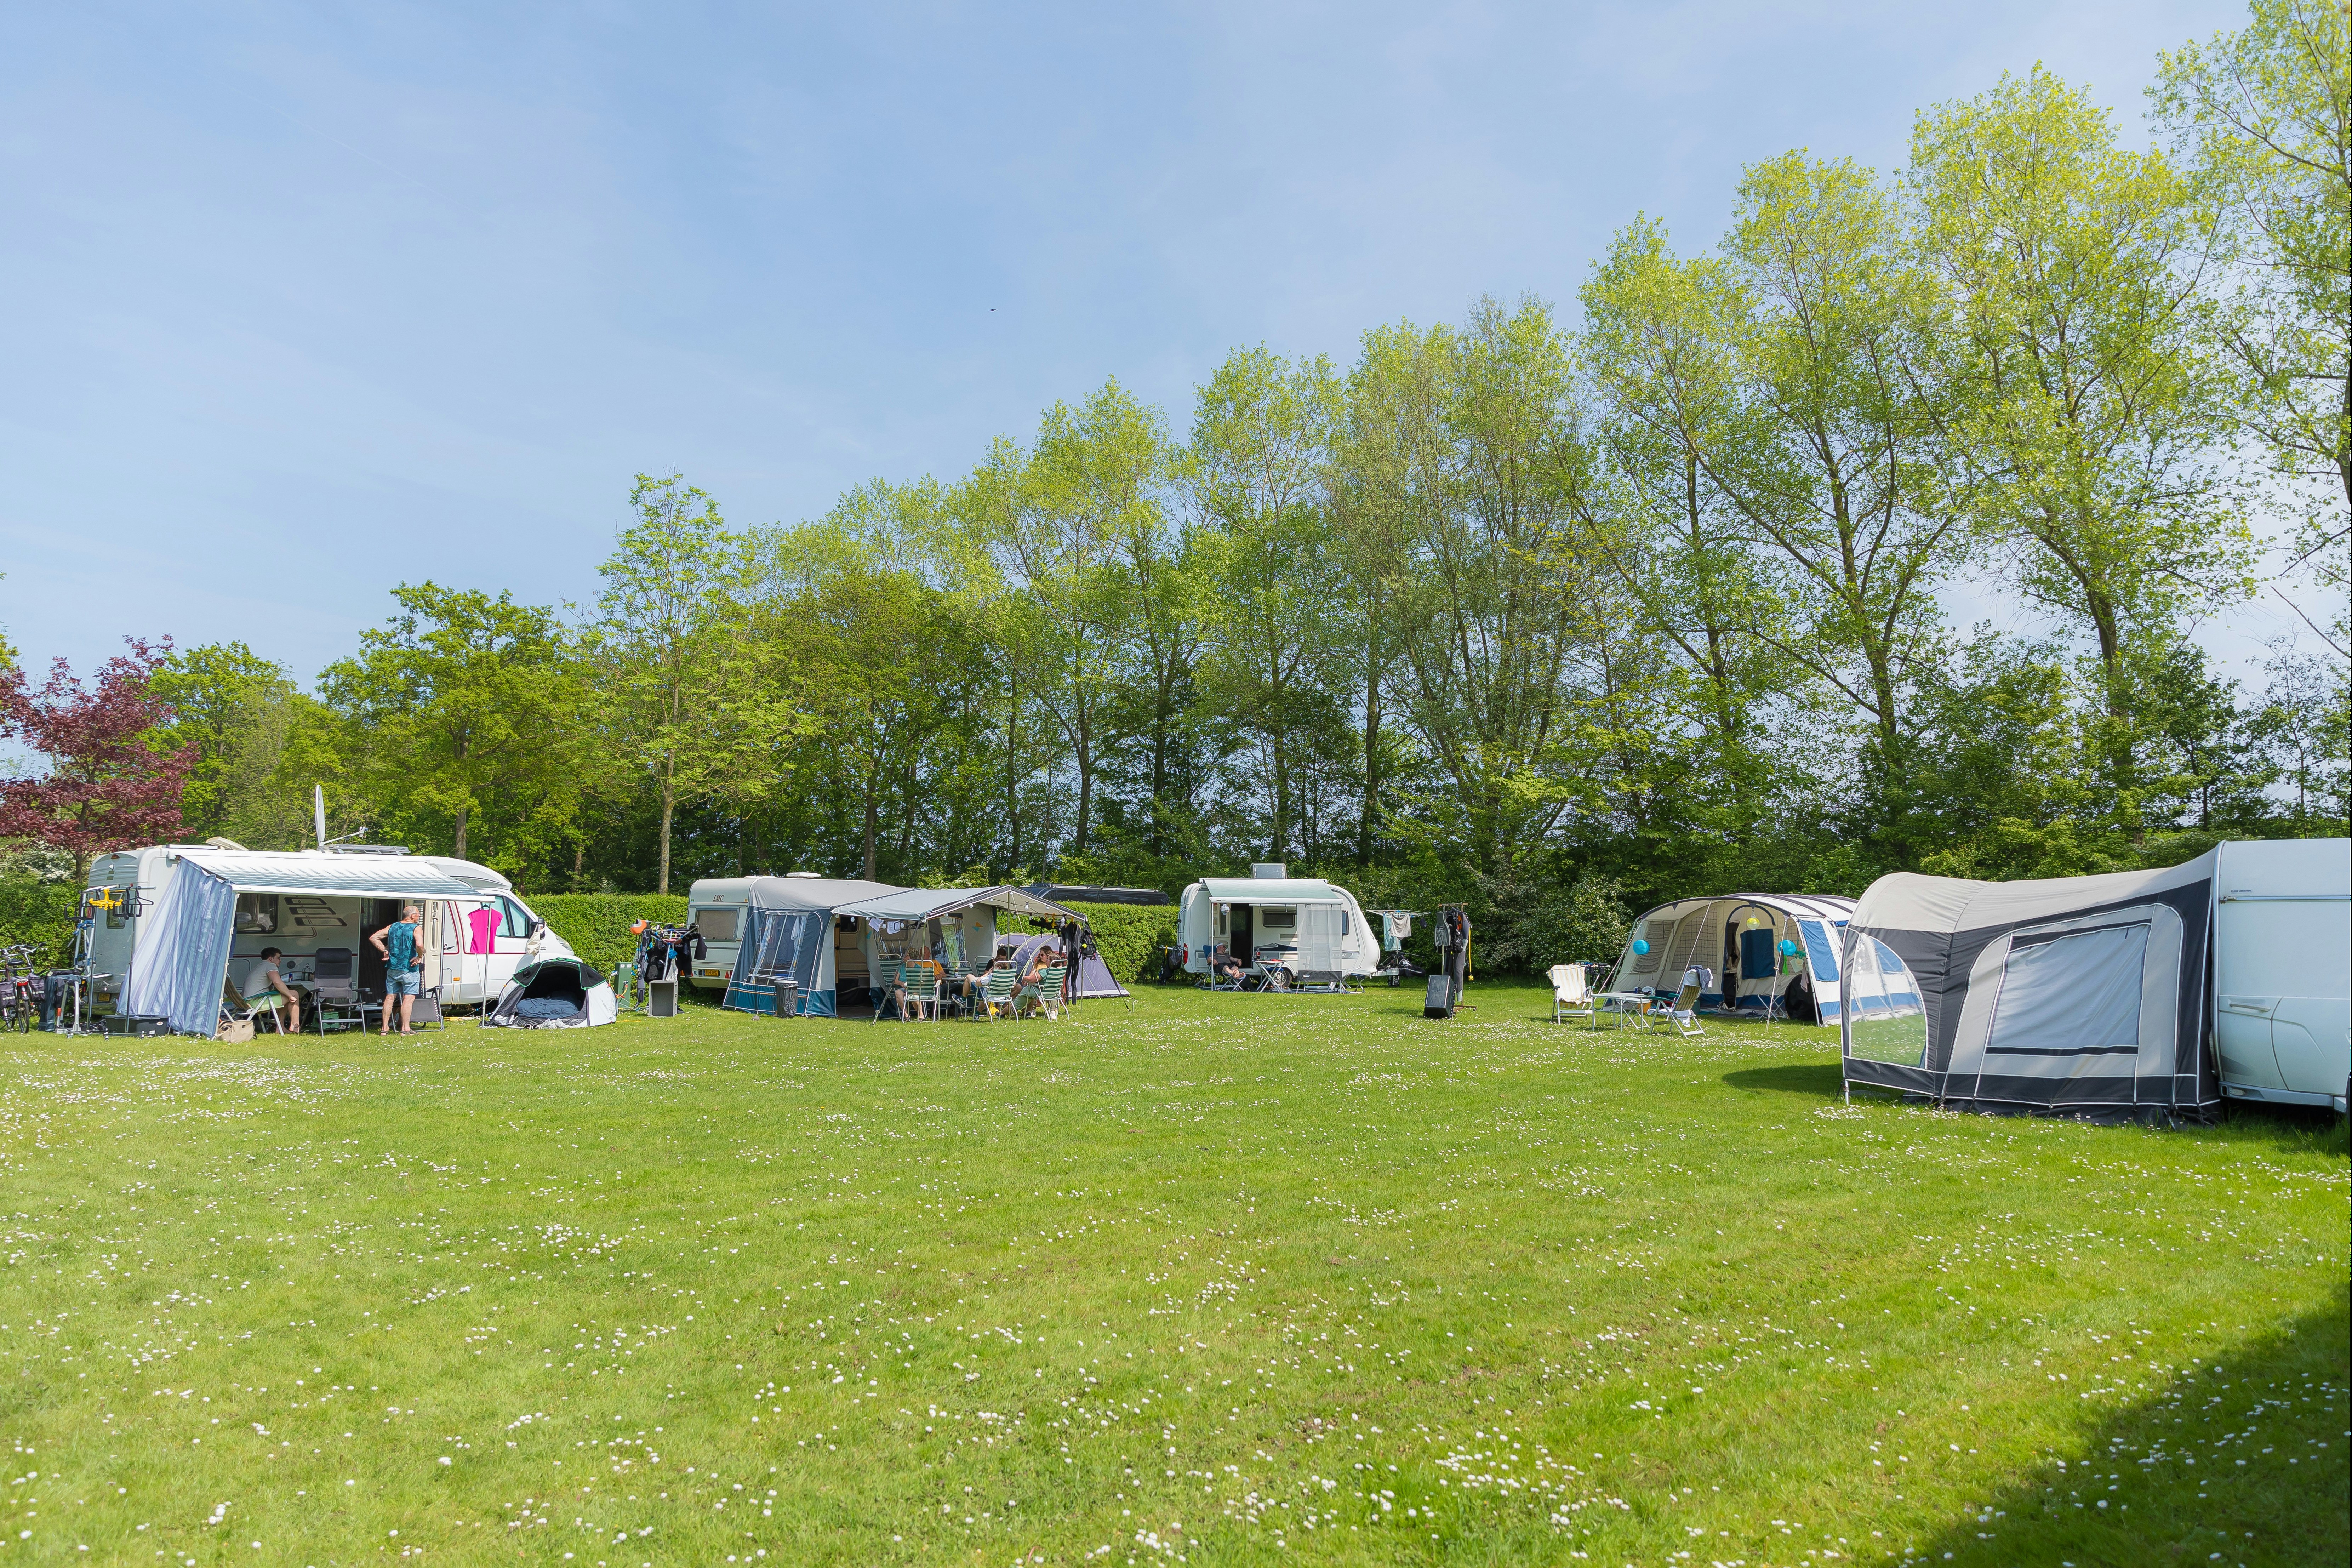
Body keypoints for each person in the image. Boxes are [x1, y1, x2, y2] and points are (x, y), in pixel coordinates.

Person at [370, 904, 426, 1034]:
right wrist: (419, 956)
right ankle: (405, 1029)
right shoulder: (416, 928)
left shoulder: (393, 926)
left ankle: (384, 1029)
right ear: (412, 916)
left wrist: (385, 951)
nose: (419, 916)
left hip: (393, 968)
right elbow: (420, 944)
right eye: (418, 914)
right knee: (408, 999)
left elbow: (374, 938)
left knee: (390, 998)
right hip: (409, 969)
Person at [242, 947, 301, 1033]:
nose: (280, 960)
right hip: (256, 1003)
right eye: (278, 958)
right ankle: (295, 1025)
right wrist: (290, 996)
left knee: (287, 996)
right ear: (271, 958)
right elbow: (278, 982)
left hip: (247, 1003)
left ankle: (280, 1028)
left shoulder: (259, 967)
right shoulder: (271, 965)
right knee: (294, 994)